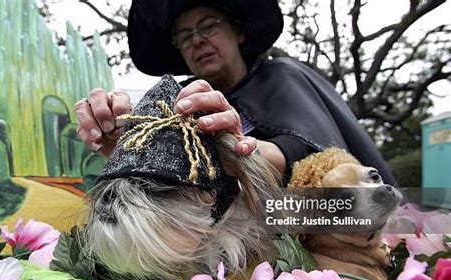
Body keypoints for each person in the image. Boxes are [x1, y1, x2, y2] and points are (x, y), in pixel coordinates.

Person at [74, 0, 394, 185]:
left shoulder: (282, 76)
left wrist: (232, 146)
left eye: (208, 25)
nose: (197, 40)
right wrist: (124, 142)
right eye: (184, 36)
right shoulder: (183, 104)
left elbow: (308, 153)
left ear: (238, 31)